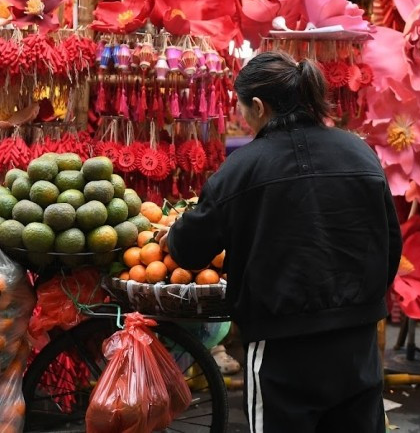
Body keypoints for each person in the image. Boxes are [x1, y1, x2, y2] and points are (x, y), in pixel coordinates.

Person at [163, 51, 402, 433]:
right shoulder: (359, 152)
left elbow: (188, 250)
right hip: (357, 345)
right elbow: (390, 242)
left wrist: (171, 234)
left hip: (281, 348)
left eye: (242, 108)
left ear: (258, 106)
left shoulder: (242, 167)